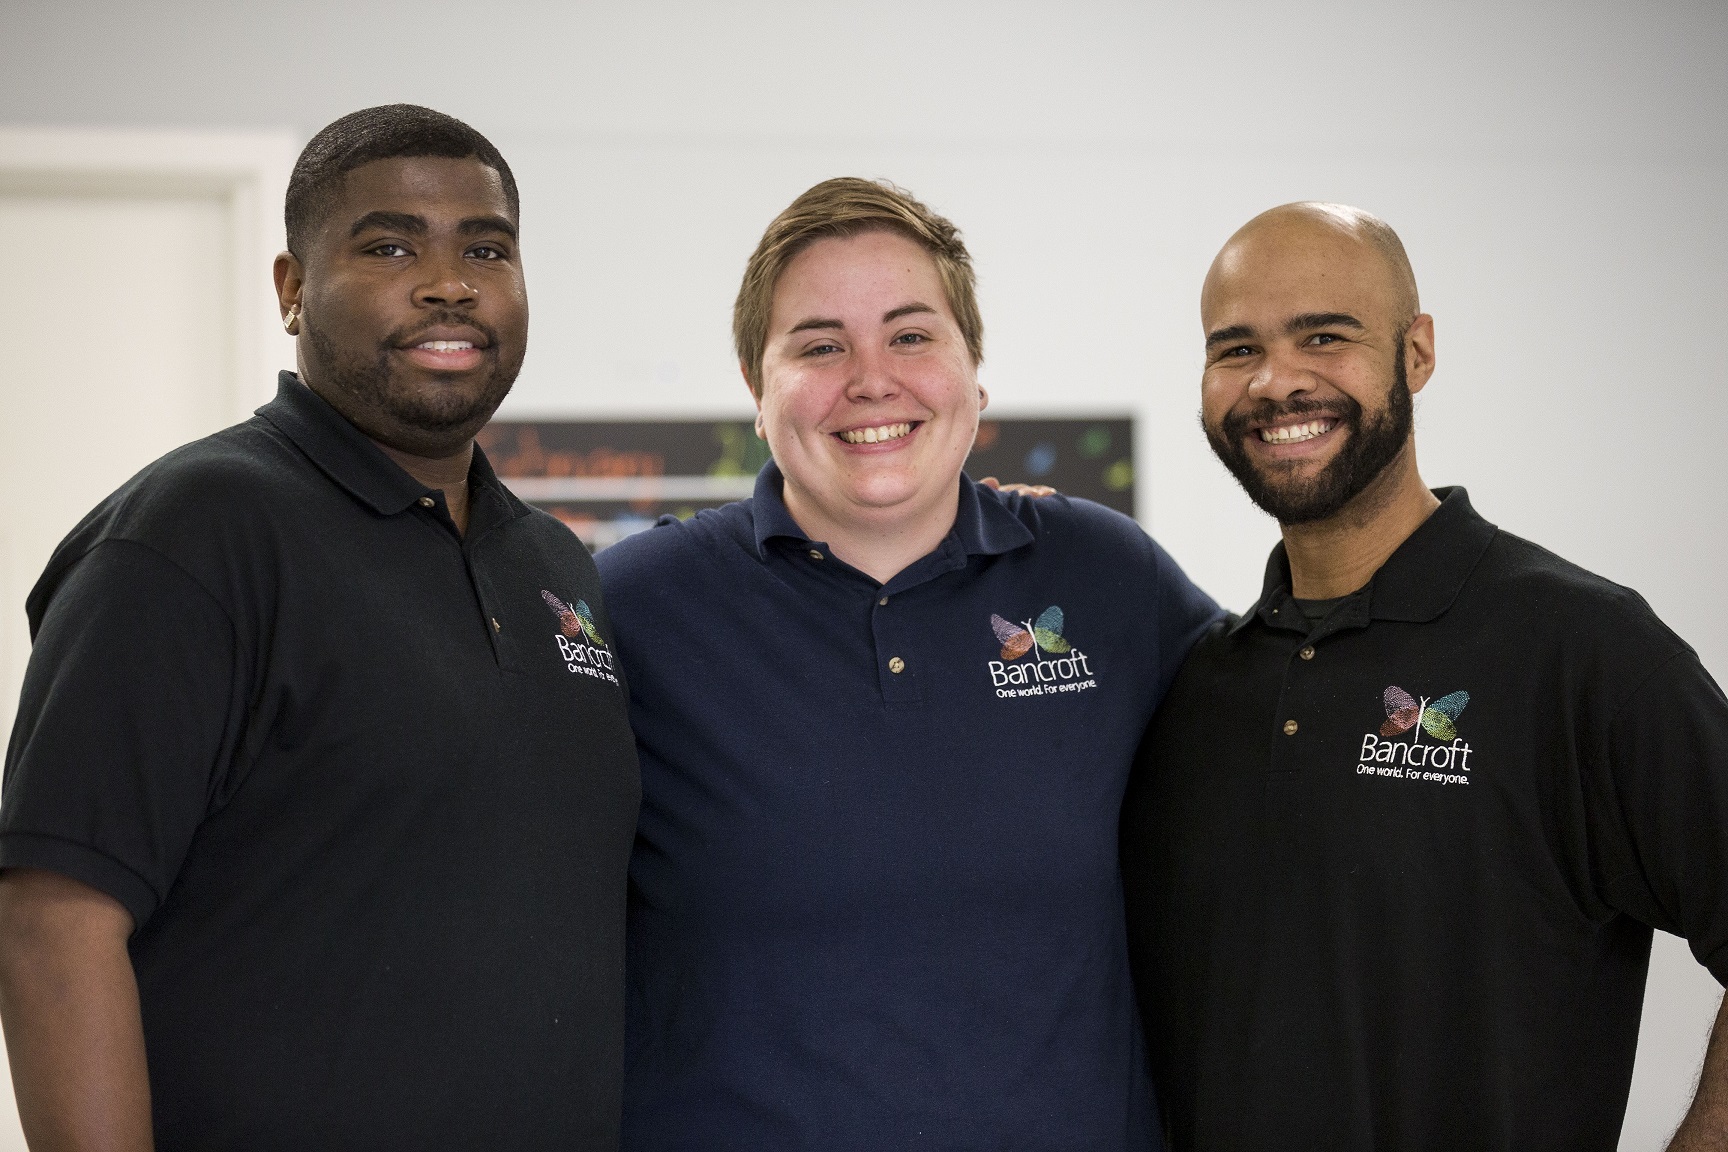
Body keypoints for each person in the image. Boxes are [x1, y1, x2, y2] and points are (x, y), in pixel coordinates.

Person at [0, 105, 639, 1150]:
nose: (449, 282)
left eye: (487, 248)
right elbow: (52, 923)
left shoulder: (555, 567)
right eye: (389, 245)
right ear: (293, 289)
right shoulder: (194, 534)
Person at [596, 177, 1220, 1150]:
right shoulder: (638, 606)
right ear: (759, 396)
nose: (871, 377)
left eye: (912, 334)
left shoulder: (1105, 577)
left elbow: (1277, 760)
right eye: (818, 344)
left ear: (977, 377)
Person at [1120, 201, 1728, 1150]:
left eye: (1324, 335)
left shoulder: (1583, 650)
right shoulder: (1200, 687)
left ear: (1417, 353)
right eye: (1235, 349)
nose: (1276, 381)